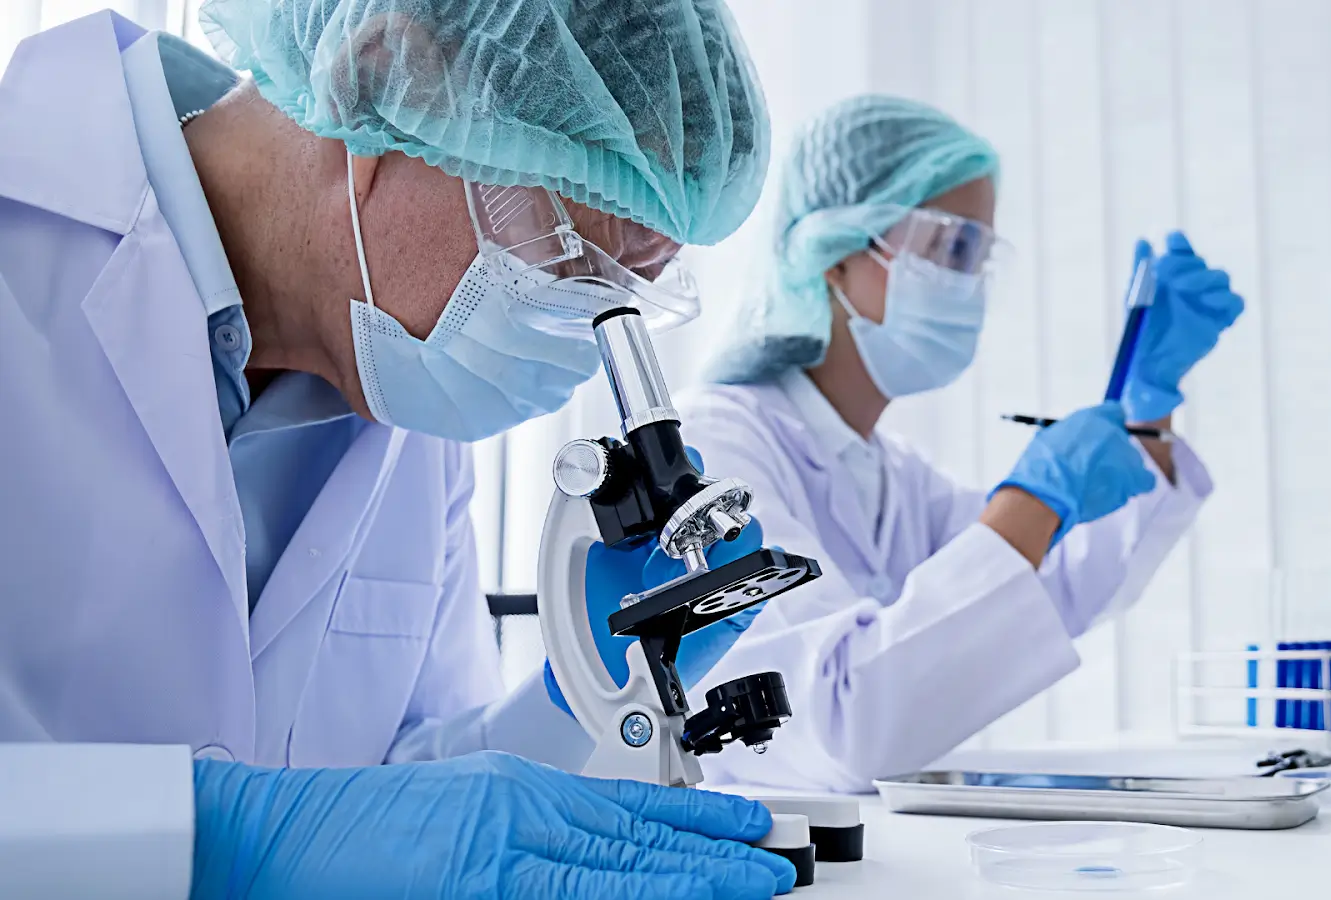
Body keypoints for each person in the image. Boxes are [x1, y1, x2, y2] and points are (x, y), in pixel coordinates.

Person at [0, 2, 796, 897]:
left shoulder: (393, 381)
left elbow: (404, 802)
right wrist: (205, 837)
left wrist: (577, 698)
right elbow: (315, 835)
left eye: (617, 299)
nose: (577, 344)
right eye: (566, 262)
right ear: (382, 77)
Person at [680, 95, 1245, 792]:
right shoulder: (711, 454)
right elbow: (839, 720)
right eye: (951, 245)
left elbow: (1055, 585)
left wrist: (1144, 409)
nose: (968, 282)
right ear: (835, 255)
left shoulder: (892, 476)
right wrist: (1035, 497)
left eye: (980, 254)